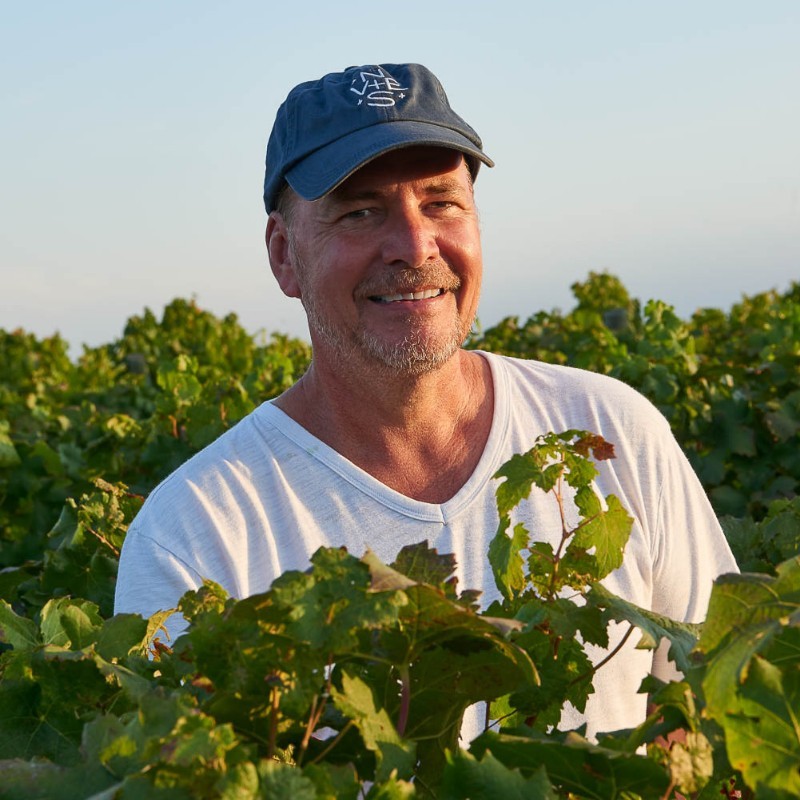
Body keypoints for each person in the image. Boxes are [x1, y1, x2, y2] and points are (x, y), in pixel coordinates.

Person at [115, 62, 738, 740]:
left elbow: (703, 718)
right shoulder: (197, 532)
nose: (415, 245)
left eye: (441, 202)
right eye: (360, 212)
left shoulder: (614, 431)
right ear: (283, 255)